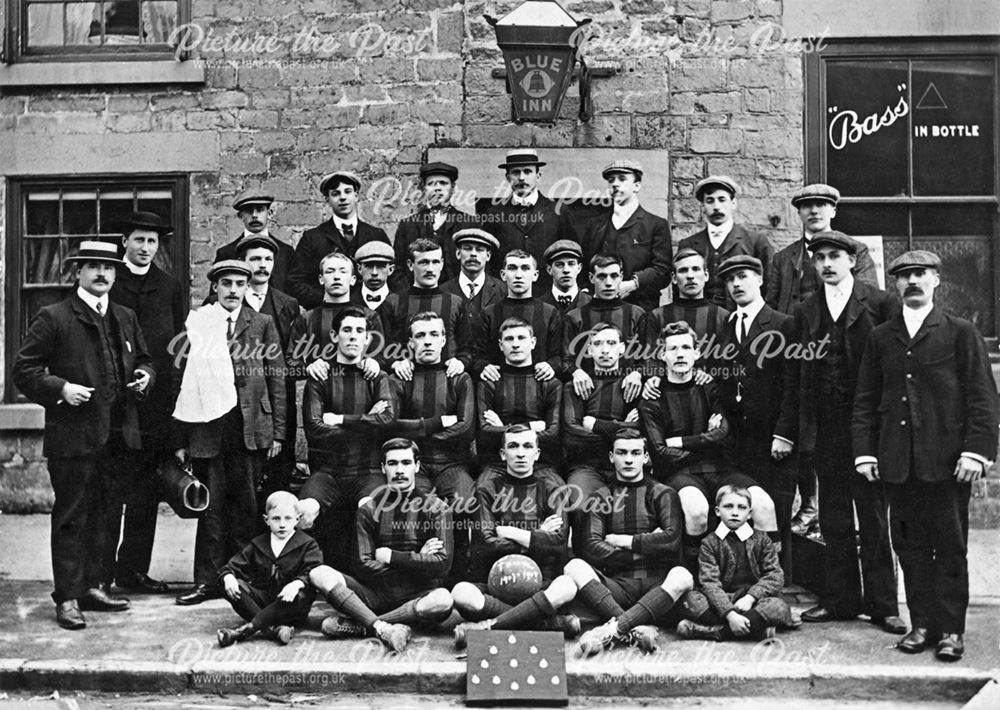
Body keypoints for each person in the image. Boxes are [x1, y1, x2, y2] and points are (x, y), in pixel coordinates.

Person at [853, 250, 999, 662]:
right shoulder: (881, 337)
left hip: (948, 464)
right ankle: (921, 624)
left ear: (936, 279)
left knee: (949, 548)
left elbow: (984, 400)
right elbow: (865, 401)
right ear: (895, 285)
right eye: (904, 276)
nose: (912, 281)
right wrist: (865, 453)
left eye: (921, 274)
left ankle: (951, 629)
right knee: (909, 547)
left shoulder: (960, 332)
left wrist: (976, 452)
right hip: (897, 466)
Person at [13, 240, 154, 629]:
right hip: (73, 437)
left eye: (108, 268)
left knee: (107, 516)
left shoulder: (124, 316)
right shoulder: (54, 316)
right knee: (73, 516)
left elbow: (143, 359)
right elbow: (24, 370)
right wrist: (61, 388)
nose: (102, 274)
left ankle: (94, 585)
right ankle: (68, 597)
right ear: (78, 272)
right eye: (93, 266)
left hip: (117, 436)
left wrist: (145, 376)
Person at [793, 233, 902, 633]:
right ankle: (839, 599)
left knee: (873, 516)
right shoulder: (806, 310)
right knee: (833, 517)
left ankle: (883, 605)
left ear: (852, 260)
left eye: (834, 256)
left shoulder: (879, 303)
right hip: (827, 428)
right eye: (819, 257)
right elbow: (803, 375)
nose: (826, 263)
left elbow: (894, 368)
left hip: (869, 430)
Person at [172, 260, 287, 606]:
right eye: (227, 284)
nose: (234, 290)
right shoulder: (201, 323)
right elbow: (185, 383)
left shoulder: (262, 323)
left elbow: (277, 378)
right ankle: (207, 581)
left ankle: (241, 579)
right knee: (212, 508)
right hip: (210, 428)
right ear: (215, 288)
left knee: (247, 507)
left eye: (240, 283)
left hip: (249, 428)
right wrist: (181, 439)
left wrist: (278, 433)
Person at [766, 183, 878, 535]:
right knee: (805, 434)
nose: (814, 211)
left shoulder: (855, 251)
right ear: (798, 213)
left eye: (821, 205)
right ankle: (810, 508)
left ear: (833, 211)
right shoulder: (785, 258)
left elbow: (869, 305)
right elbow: (772, 304)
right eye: (807, 206)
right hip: (802, 353)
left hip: (848, 365)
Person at [640, 321, 774, 574]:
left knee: (764, 504)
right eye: (673, 349)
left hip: (721, 468)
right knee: (697, 509)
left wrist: (681, 441)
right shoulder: (652, 398)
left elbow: (724, 435)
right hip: (681, 473)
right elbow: (660, 452)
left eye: (685, 348)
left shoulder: (710, 388)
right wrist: (706, 440)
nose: (680, 354)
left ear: (696, 353)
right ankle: (698, 579)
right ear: (662, 355)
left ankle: (769, 580)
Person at [310, 438, 455, 653]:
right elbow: (362, 565)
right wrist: (418, 558)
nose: (399, 470)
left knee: (443, 599)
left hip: (419, 595)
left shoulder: (437, 509)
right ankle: (383, 627)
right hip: (374, 595)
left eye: (406, 463)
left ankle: (364, 625)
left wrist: (391, 556)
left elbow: (442, 564)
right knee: (319, 573)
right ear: (382, 468)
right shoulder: (368, 509)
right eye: (392, 463)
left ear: (416, 466)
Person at [108, 212, 186, 594]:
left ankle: (133, 570)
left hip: (155, 405)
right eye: (139, 240)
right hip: (113, 405)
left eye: (152, 242)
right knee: (109, 490)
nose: (145, 248)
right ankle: (99, 573)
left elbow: (176, 348)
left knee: (145, 491)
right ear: (125, 241)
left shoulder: (168, 286)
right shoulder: (110, 280)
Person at [567, 428, 692, 656]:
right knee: (573, 567)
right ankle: (634, 627)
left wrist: (626, 541)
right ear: (611, 457)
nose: (628, 459)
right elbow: (592, 546)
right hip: (619, 586)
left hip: (657, 584)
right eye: (622, 453)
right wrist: (647, 547)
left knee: (683, 576)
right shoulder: (601, 496)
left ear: (645, 458)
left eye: (635, 453)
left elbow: (671, 540)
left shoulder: (663, 493)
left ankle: (614, 628)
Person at [451, 424, 578, 646]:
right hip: (495, 585)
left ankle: (490, 626)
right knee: (461, 592)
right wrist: (537, 535)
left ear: (537, 453)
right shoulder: (486, 490)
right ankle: (546, 623)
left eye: (528, 446)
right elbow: (486, 543)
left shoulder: (552, 490)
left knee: (567, 585)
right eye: (513, 446)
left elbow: (558, 543)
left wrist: (510, 532)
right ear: (503, 454)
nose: (520, 453)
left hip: (541, 586)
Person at [296, 307, 395, 569]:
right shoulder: (320, 376)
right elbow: (316, 429)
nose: (353, 336)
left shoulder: (377, 377)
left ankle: (369, 575)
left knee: (373, 508)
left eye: (359, 331)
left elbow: (385, 422)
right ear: (334, 335)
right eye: (347, 330)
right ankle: (306, 576)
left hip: (368, 470)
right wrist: (366, 421)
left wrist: (339, 419)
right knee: (304, 511)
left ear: (368, 339)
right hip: (329, 472)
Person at [387, 311, 476, 579]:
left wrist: (418, 432)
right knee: (414, 506)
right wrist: (438, 422)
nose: (427, 341)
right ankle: (419, 577)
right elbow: (390, 425)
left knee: (462, 503)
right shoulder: (398, 379)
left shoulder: (459, 378)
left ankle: (457, 578)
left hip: (452, 462)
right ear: (410, 343)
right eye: (420, 336)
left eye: (434, 335)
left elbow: (467, 427)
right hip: (416, 464)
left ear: (444, 340)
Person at [716, 255, 796, 547]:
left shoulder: (783, 324)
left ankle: (779, 581)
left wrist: (784, 434)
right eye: (730, 279)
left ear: (760, 279)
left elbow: (793, 386)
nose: (736, 284)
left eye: (743, 276)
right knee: (742, 511)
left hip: (772, 438)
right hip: (738, 440)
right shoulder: (726, 325)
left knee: (776, 512)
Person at [676, 485, 794, 641]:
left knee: (778, 606)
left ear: (750, 513)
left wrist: (750, 597)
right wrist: (730, 614)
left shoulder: (762, 540)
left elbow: (775, 576)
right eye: (728, 506)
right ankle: (754, 628)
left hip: (752, 601)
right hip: (721, 600)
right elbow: (709, 582)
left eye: (742, 507)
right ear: (718, 511)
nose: (735, 512)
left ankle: (714, 632)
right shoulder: (709, 543)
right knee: (690, 600)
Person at [561, 323, 641, 552]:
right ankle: (581, 563)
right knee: (580, 503)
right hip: (586, 465)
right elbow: (572, 435)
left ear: (622, 349)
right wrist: (623, 427)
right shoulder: (576, 386)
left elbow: (641, 430)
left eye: (611, 343)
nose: (605, 350)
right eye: (597, 344)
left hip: (625, 463)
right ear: (589, 351)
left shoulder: (633, 384)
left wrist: (595, 423)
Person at [237, 234, 302, 504]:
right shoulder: (227, 301)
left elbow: (294, 355)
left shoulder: (287, 304)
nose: (262, 265)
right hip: (241, 397)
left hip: (277, 396)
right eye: (255, 259)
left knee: (278, 469)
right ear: (243, 263)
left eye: (267, 259)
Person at [216, 491, 322, 647]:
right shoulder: (258, 544)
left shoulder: (307, 544)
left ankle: (245, 630)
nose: (282, 524)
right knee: (231, 586)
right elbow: (230, 567)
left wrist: (298, 583)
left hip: (291, 605)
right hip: (263, 601)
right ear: (267, 520)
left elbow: (315, 569)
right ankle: (274, 629)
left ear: (297, 519)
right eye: (276, 518)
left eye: (288, 518)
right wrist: (228, 577)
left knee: (298, 595)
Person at [287, 171, 391, 309]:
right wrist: (326, 299)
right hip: (327, 313)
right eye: (335, 194)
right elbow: (296, 281)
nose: (342, 197)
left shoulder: (376, 235)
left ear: (356, 195)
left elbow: (393, 275)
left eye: (347, 191)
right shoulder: (312, 238)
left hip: (371, 312)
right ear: (327, 199)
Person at [479, 149, 575, 293]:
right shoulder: (495, 213)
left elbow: (572, 252)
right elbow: (488, 259)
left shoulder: (558, 210)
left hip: (547, 294)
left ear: (538, 176)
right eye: (516, 172)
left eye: (527, 172)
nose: (522, 178)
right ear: (507, 177)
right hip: (506, 294)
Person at [476, 318, 562, 476]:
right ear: (501, 345)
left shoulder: (550, 384)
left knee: (558, 494)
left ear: (533, 342)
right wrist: (532, 426)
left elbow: (552, 435)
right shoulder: (489, 383)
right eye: (509, 339)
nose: (515, 344)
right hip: (497, 464)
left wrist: (503, 426)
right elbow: (485, 433)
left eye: (521, 338)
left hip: (541, 464)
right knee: (483, 490)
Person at [582, 160, 672, 312]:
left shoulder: (655, 225)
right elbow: (584, 266)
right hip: (600, 308)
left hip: (641, 306)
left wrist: (633, 284)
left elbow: (663, 270)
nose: (615, 184)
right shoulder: (596, 225)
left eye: (622, 179)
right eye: (611, 181)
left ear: (636, 186)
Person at [286, 251, 383, 383]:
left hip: (361, 391)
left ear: (353, 279)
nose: (336, 277)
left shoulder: (370, 316)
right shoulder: (307, 318)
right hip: (319, 391)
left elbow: (383, 356)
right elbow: (290, 361)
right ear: (321, 279)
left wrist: (375, 363)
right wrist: (308, 368)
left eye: (343, 271)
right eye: (330, 271)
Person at [678, 176, 774, 308]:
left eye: (722, 200)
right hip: (701, 318)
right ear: (703, 207)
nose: (716, 207)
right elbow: (680, 289)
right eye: (710, 201)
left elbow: (771, 286)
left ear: (733, 203)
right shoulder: (688, 244)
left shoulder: (755, 241)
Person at [467, 249, 563, 381]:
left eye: (525, 268)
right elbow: (477, 355)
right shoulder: (489, 313)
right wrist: (484, 366)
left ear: (535, 275)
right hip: (499, 387)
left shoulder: (550, 313)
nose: (518, 275)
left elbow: (558, 355)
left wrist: (551, 366)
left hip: (539, 387)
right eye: (512, 268)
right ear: (503, 275)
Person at [379, 239, 467, 380]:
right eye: (423, 262)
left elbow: (467, 347)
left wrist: (461, 362)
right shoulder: (393, 302)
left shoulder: (455, 302)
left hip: (447, 381)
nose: (430, 269)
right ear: (410, 265)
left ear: (442, 264)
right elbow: (382, 345)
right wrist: (395, 363)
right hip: (405, 380)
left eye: (435, 262)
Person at [562, 254, 645, 401]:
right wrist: (576, 372)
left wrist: (638, 373)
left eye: (614, 276)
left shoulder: (636, 314)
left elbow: (648, 356)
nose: (608, 283)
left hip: (627, 396)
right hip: (586, 396)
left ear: (621, 277)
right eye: (601, 277)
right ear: (591, 277)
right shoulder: (575, 317)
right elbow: (565, 359)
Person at [643, 248, 730, 378]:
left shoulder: (723, 317)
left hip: (710, 392)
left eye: (695, 269)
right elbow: (651, 361)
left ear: (706, 275)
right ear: (674, 278)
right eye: (683, 270)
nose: (690, 276)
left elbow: (727, 363)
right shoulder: (658, 316)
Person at [390, 162, 476, 291]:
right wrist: (410, 295)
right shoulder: (408, 225)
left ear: (453, 188)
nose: (437, 188)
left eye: (443, 183)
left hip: (458, 299)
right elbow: (397, 268)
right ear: (424, 189)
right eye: (431, 184)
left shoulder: (469, 223)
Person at [215, 190, 295, 293]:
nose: (254, 215)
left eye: (260, 210)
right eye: (249, 211)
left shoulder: (286, 252)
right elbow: (217, 295)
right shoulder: (226, 253)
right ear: (241, 216)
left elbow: (293, 292)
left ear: (269, 214)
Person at [440, 228, 504, 335]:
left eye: (479, 250)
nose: (473, 254)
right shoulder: (443, 291)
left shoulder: (502, 290)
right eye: (468, 249)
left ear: (488, 256)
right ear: (458, 253)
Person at [538, 239, 592, 313]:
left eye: (571, 264)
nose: (566, 270)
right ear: (549, 269)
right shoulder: (539, 305)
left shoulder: (591, 303)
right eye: (559, 265)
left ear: (579, 268)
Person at [354, 240, 396, 311]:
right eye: (369, 266)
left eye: (381, 266)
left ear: (390, 269)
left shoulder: (401, 303)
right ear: (359, 268)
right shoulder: (350, 301)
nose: (374, 273)